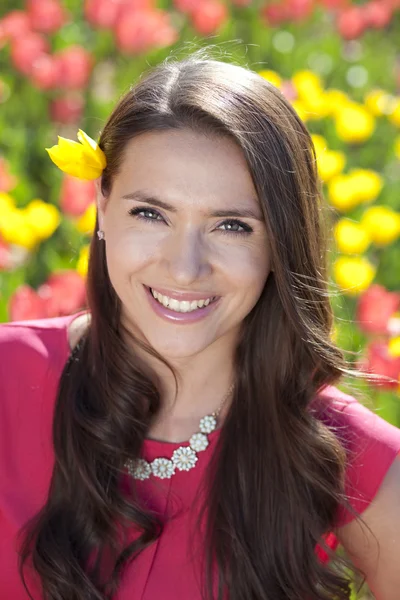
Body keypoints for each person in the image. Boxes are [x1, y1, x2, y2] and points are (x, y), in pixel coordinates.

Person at [1, 50, 400, 600]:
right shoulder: (7, 378)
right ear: (102, 209)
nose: (185, 266)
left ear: (279, 244)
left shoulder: (340, 452)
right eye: (150, 214)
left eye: (232, 226)